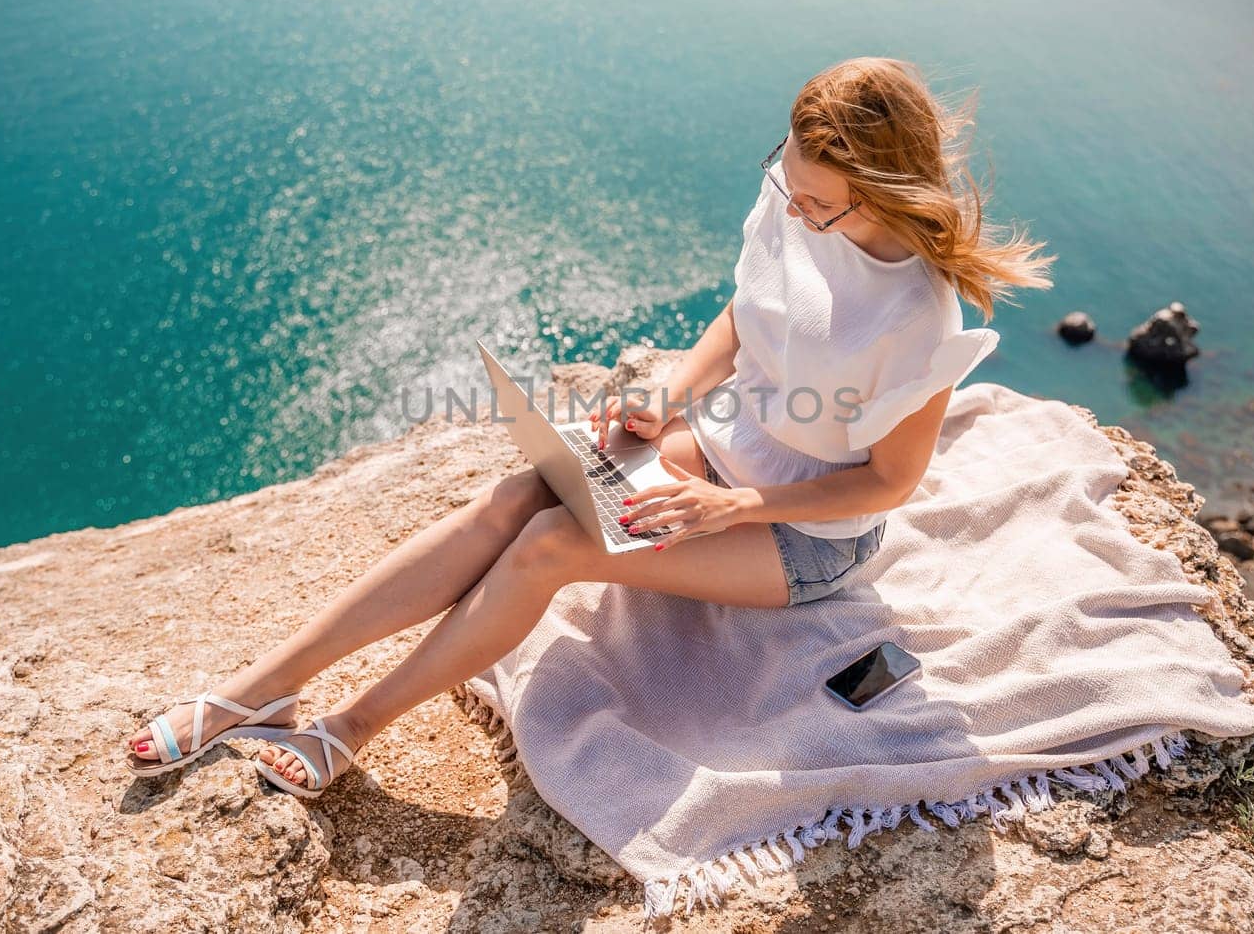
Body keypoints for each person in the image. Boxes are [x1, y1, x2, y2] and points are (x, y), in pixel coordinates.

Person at [124, 56, 1055, 796]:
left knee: (550, 546)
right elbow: (746, 316)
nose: (797, 213)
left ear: (882, 190)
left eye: (820, 203)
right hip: (718, 451)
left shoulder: (918, 318)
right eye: (791, 184)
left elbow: (889, 483)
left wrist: (731, 506)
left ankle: (353, 726)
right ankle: (260, 691)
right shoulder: (794, 201)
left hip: (803, 532)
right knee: (516, 496)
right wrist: (671, 391)